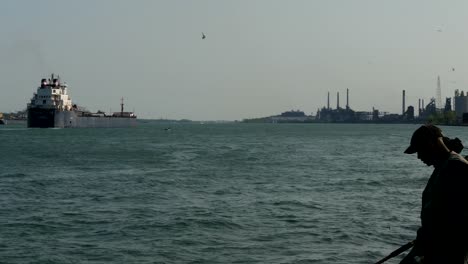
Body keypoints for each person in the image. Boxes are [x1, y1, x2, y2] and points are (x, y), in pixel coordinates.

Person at [400, 124, 468, 264]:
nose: (419, 156)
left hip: (448, 254)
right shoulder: (444, 166)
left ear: (431, 143)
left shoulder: (456, 168)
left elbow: (457, 219)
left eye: (420, 150)